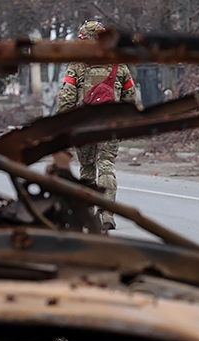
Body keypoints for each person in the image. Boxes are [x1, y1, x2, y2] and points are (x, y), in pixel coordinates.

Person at [56, 20, 137, 232]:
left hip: (84, 127)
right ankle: (107, 213)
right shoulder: (119, 66)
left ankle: (87, 214)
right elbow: (131, 97)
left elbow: (66, 99)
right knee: (106, 165)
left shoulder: (77, 66)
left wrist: (62, 124)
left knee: (87, 170)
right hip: (110, 125)